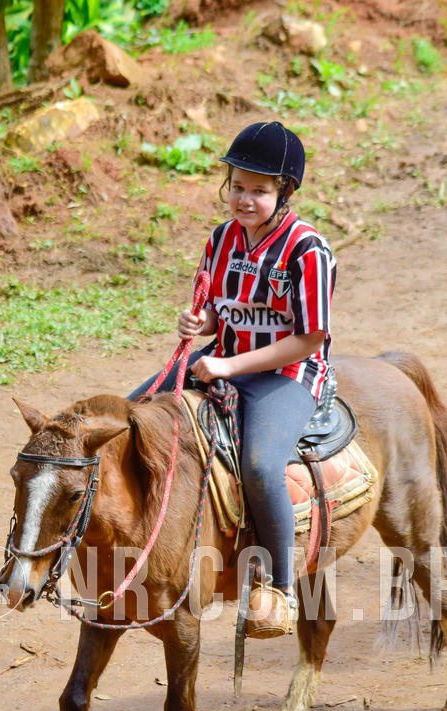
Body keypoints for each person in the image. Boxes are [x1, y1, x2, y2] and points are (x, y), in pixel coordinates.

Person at [130, 121, 336, 638]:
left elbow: (309, 339)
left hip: (285, 375)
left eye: (260, 191)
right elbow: (219, 316)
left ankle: (282, 589)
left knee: (262, 466)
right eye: (238, 187)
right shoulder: (221, 240)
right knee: (127, 415)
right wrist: (198, 325)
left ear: (284, 192)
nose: (245, 200)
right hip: (221, 358)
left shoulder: (308, 251)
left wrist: (226, 365)